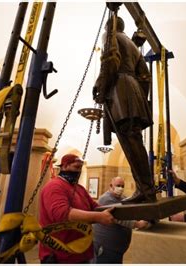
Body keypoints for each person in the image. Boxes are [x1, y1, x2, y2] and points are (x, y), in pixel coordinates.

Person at [93, 15, 155, 204]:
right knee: (134, 141)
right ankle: (146, 189)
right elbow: (145, 76)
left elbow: (109, 59)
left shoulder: (109, 35)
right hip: (133, 90)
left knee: (130, 141)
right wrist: (141, 97)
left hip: (120, 90)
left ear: (109, 26)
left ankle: (145, 190)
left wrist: (101, 86)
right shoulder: (133, 45)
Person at [38, 153, 115, 263]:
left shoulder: (79, 189)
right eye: (76, 167)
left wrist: (119, 210)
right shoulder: (54, 186)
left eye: (80, 168)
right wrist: (99, 217)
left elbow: (95, 207)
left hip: (81, 253)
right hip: (59, 255)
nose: (78, 172)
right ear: (64, 166)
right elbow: (62, 214)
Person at [92, 176, 149, 263]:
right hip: (106, 247)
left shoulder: (123, 198)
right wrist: (138, 224)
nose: (120, 188)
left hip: (117, 249)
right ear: (111, 186)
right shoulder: (106, 199)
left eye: (122, 186)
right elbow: (119, 217)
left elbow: (130, 210)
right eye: (118, 185)